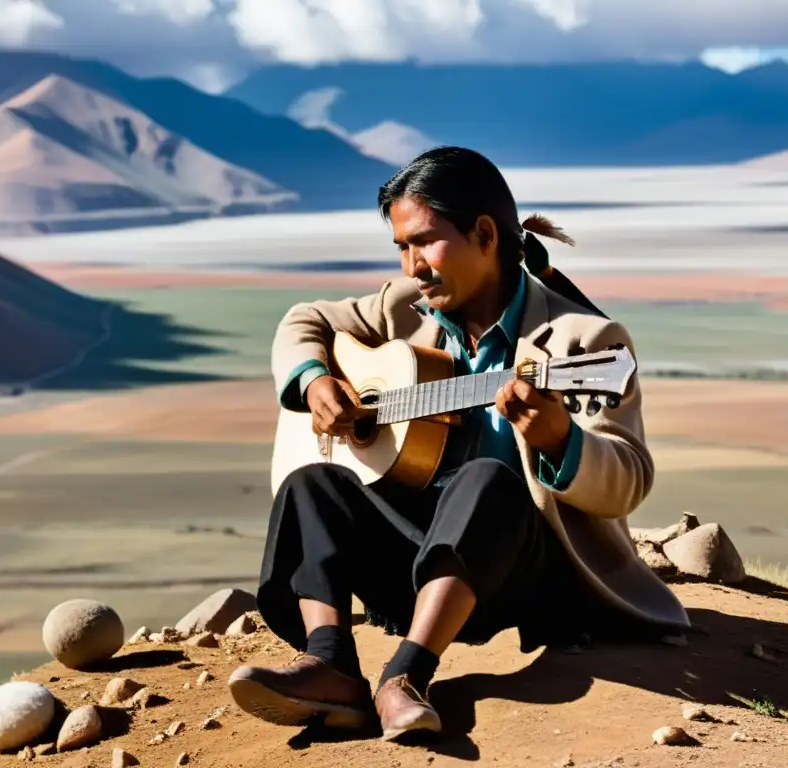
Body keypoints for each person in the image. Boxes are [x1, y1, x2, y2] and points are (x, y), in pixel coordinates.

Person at [227, 147, 690, 743]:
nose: (412, 264)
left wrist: (558, 438)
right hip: (418, 570)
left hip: (527, 578)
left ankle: (407, 677)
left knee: (487, 481)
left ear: (485, 233)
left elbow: (630, 477)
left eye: (424, 241)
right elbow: (303, 320)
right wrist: (315, 380)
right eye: (400, 247)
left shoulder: (582, 340)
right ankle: (332, 665)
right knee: (311, 484)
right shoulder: (400, 309)